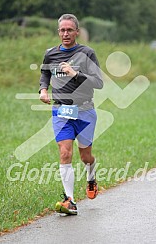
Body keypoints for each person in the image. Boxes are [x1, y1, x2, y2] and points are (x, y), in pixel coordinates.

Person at [39, 13, 103, 215]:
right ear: (58, 32)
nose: (65, 33)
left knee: (85, 157)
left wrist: (76, 74)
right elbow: (45, 72)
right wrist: (43, 89)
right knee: (65, 152)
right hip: (61, 110)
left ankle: (91, 177)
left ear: (77, 32)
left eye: (69, 30)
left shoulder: (87, 53)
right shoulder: (50, 54)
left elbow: (99, 82)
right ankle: (70, 200)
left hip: (84, 110)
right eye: (62, 30)